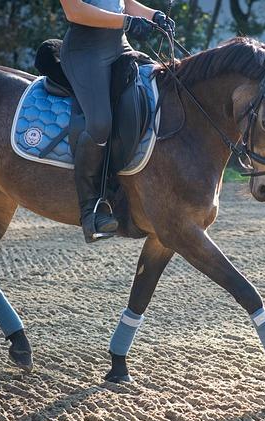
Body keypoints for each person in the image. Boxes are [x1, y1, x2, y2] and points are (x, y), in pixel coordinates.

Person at [59, 0, 174, 243]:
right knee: (100, 124)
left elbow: (125, 2)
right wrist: (127, 22)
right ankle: (91, 209)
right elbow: (74, 10)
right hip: (85, 52)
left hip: (119, 46)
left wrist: (154, 15)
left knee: (161, 90)